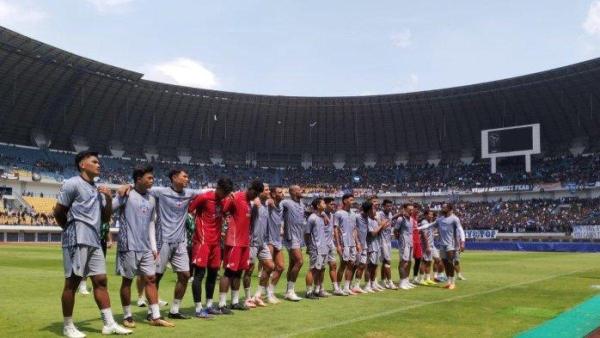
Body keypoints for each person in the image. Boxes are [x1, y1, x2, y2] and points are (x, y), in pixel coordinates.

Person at [53, 151, 131, 338]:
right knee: (72, 282)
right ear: (82, 164)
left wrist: (109, 199)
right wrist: (71, 230)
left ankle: (109, 323)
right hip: (77, 239)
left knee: (100, 281)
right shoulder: (72, 184)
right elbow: (58, 212)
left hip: (95, 239)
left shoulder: (97, 190)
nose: (99, 165)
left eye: (99, 162)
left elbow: (105, 219)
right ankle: (68, 326)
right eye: (94, 162)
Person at [113, 165, 174, 328]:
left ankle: (155, 316)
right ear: (138, 179)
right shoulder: (126, 194)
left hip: (146, 247)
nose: (152, 180)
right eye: (149, 178)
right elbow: (109, 209)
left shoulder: (152, 198)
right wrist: (121, 189)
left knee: (151, 279)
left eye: (153, 178)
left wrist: (154, 247)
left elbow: (151, 224)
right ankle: (127, 316)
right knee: (127, 281)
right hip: (128, 246)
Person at [187, 178, 234, 318]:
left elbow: (227, 212)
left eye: (227, 193)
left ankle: (208, 305)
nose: (224, 195)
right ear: (218, 187)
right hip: (202, 242)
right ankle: (197, 309)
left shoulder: (224, 200)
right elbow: (190, 210)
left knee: (213, 274)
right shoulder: (203, 197)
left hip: (216, 243)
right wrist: (194, 228)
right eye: (224, 192)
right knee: (199, 275)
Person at [218, 180, 264, 312]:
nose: (255, 196)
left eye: (257, 194)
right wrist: (227, 198)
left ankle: (235, 301)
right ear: (249, 188)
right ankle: (221, 304)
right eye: (254, 193)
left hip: (244, 242)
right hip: (233, 242)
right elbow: (223, 210)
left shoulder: (250, 203)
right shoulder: (236, 197)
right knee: (228, 272)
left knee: (238, 273)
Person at [418, 203, 465, 290]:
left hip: (451, 245)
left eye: (444, 207)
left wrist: (462, 242)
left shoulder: (454, 219)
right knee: (445, 264)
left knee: (450, 263)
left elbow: (460, 230)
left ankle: (453, 282)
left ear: (449, 208)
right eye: (442, 207)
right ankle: (448, 282)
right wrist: (417, 228)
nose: (442, 208)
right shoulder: (440, 219)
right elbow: (429, 225)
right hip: (442, 245)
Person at [247, 184, 275, 307]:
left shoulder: (266, 205)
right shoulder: (254, 204)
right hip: (252, 242)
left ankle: (257, 295)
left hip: (262, 243)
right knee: (249, 270)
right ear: (259, 192)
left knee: (270, 266)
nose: (269, 192)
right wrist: (253, 202)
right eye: (266, 190)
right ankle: (247, 298)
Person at [281, 185, 306, 301]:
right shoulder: (286, 202)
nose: (301, 191)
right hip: (291, 237)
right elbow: (276, 205)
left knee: (292, 264)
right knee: (299, 261)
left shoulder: (302, 203)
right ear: (292, 192)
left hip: (299, 237)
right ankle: (290, 291)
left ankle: (288, 291)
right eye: (299, 190)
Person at [334, 193, 360, 296]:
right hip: (344, 243)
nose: (352, 201)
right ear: (344, 201)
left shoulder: (353, 214)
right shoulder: (338, 213)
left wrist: (357, 243)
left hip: (352, 243)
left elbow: (354, 229)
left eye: (353, 200)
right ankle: (338, 288)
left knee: (351, 264)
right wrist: (338, 244)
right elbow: (335, 229)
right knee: (343, 265)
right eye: (351, 200)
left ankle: (346, 287)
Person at [264, 186, 286, 304]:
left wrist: (281, 226)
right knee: (269, 267)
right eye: (279, 192)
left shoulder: (281, 205)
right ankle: (266, 294)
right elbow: (264, 202)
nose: (282, 194)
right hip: (269, 240)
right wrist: (268, 201)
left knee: (281, 267)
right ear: (273, 194)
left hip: (277, 240)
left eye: (282, 192)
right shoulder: (269, 203)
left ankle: (270, 292)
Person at [304, 198, 329, 299]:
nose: (325, 204)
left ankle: (318, 290)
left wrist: (324, 214)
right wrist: (309, 247)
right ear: (318, 205)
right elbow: (307, 234)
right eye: (323, 203)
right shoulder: (312, 218)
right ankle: (309, 292)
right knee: (313, 269)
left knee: (322, 269)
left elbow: (328, 222)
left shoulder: (321, 217)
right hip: (316, 248)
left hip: (323, 247)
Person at [365, 201, 390, 292]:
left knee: (375, 266)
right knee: (369, 266)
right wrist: (382, 225)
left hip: (377, 245)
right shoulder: (368, 220)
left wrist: (383, 226)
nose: (376, 210)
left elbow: (378, 232)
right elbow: (373, 233)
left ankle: (372, 284)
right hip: (370, 245)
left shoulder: (375, 220)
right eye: (374, 209)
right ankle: (367, 285)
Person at [323, 197, 344, 296]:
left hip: (330, 244)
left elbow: (335, 228)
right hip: (321, 245)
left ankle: (335, 287)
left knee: (333, 265)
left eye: (334, 204)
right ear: (325, 204)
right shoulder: (319, 215)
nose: (333, 206)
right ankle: (319, 288)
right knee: (320, 268)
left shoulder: (332, 215)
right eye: (331, 204)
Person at [377, 200, 397, 290]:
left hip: (388, 240)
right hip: (382, 241)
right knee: (387, 262)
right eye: (387, 206)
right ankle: (390, 282)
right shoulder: (379, 214)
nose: (389, 208)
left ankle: (383, 281)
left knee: (385, 262)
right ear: (383, 206)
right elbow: (379, 227)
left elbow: (390, 221)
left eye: (390, 206)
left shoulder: (390, 214)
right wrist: (383, 225)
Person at [394, 203, 415, 290]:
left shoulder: (411, 219)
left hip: (410, 242)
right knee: (404, 262)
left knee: (409, 262)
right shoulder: (400, 219)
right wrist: (400, 240)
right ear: (404, 209)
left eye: (412, 210)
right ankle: (402, 282)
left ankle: (406, 280)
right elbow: (395, 230)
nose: (411, 211)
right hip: (404, 242)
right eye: (409, 209)